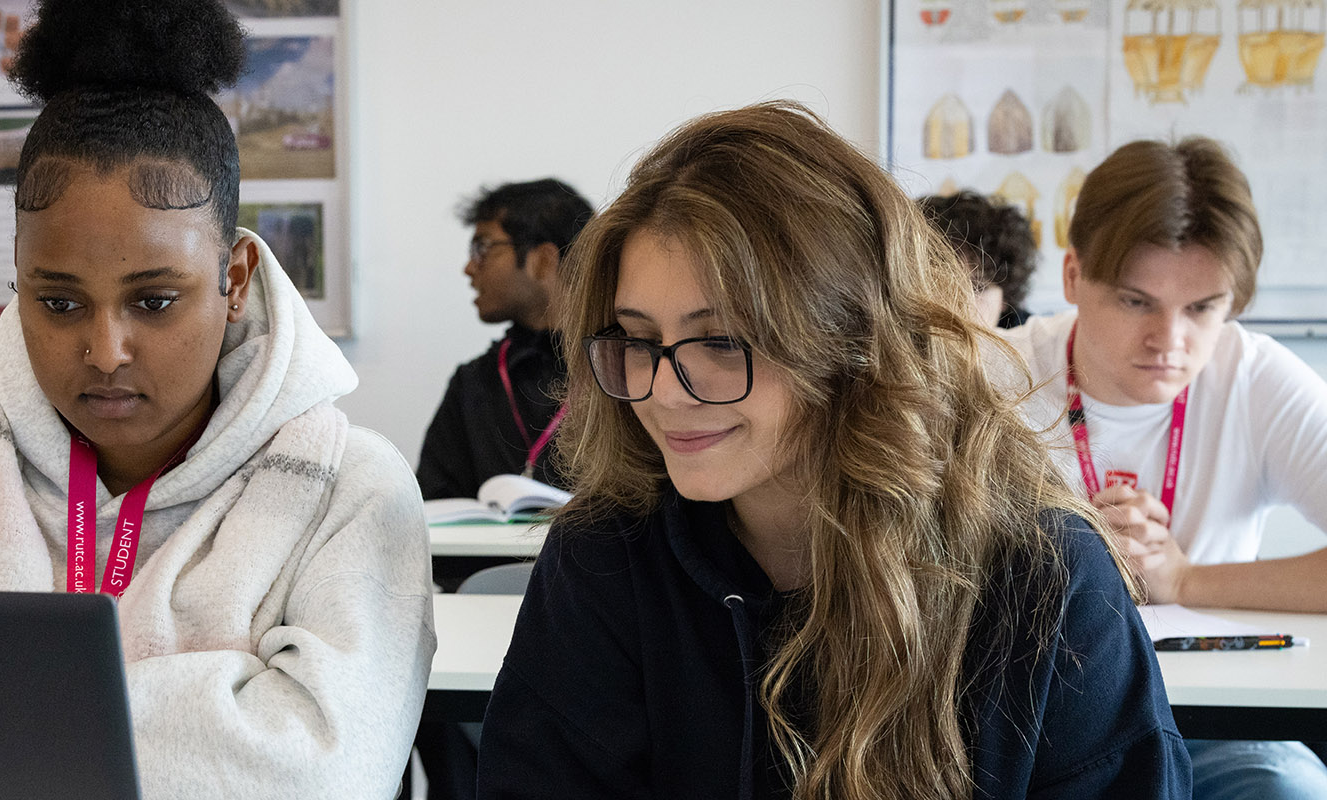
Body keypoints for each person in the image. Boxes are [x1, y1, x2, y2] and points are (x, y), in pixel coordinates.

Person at [0, 1, 434, 797]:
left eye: (156, 301)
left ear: (234, 280)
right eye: (59, 303)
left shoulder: (349, 492)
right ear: (20, 274)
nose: (105, 352)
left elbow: (320, 772)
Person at [476, 102, 1188, 799]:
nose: (664, 392)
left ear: (855, 344)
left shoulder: (1046, 578)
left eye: (721, 341)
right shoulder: (606, 557)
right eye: (636, 340)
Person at [997, 137, 1327, 798]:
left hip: (1212, 724)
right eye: (1136, 301)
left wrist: (1184, 578)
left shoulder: (1258, 379)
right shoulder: (992, 373)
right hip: (1026, 719)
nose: (1170, 343)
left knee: (1287, 787)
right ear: (1072, 277)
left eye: (1203, 308)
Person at [417, 179, 593, 499]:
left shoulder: (620, 372)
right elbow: (433, 507)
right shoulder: (472, 384)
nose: (469, 268)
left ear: (543, 260)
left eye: (483, 248)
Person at [918, 189, 1036, 328]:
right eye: (942, 283)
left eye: (977, 287)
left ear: (1005, 299)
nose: (959, 305)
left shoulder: (1033, 340)